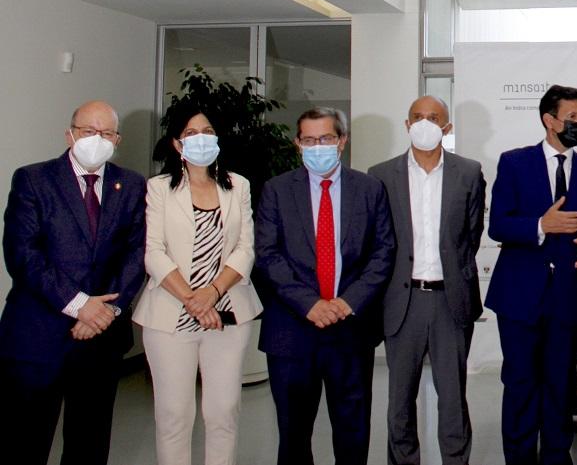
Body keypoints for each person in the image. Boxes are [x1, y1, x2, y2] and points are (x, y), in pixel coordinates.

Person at [0, 100, 147, 465]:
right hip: (38, 336)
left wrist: (107, 309)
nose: (96, 139)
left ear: (117, 139)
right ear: (70, 134)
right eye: (87, 131)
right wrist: (80, 304)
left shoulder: (129, 185)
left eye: (106, 133)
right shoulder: (33, 179)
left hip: (101, 337)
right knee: (25, 442)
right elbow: (23, 254)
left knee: (89, 444)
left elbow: (136, 254)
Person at [255, 107, 396, 465]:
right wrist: (310, 304)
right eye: (309, 140)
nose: (318, 146)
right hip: (292, 331)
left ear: (342, 141)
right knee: (293, 435)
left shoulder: (369, 188)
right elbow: (268, 255)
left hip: (350, 331)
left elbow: (383, 252)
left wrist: (347, 302)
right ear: (297, 144)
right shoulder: (276, 190)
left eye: (327, 139)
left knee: (353, 432)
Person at [132, 102, 264, 465]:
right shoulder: (158, 188)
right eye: (191, 133)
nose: (200, 139)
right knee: (174, 415)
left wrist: (212, 293)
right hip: (170, 314)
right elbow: (153, 252)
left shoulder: (238, 185)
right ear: (177, 144)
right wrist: (193, 299)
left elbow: (245, 248)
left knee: (223, 413)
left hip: (227, 313)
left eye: (207, 132)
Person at [486, 84, 577, 465]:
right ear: (549, 120)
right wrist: (542, 224)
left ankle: (557, 456)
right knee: (520, 383)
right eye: (572, 118)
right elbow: (498, 225)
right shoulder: (514, 163)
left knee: (560, 384)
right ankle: (519, 458)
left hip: (567, 297)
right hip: (519, 296)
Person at [369, 95, 486, 465]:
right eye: (417, 117)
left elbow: (471, 235)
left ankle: (455, 460)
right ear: (407, 125)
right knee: (399, 401)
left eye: (433, 117)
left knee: (453, 399)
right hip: (401, 301)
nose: (424, 123)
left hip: (450, 300)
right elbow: (378, 239)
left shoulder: (468, 172)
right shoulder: (380, 175)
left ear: (446, 127)